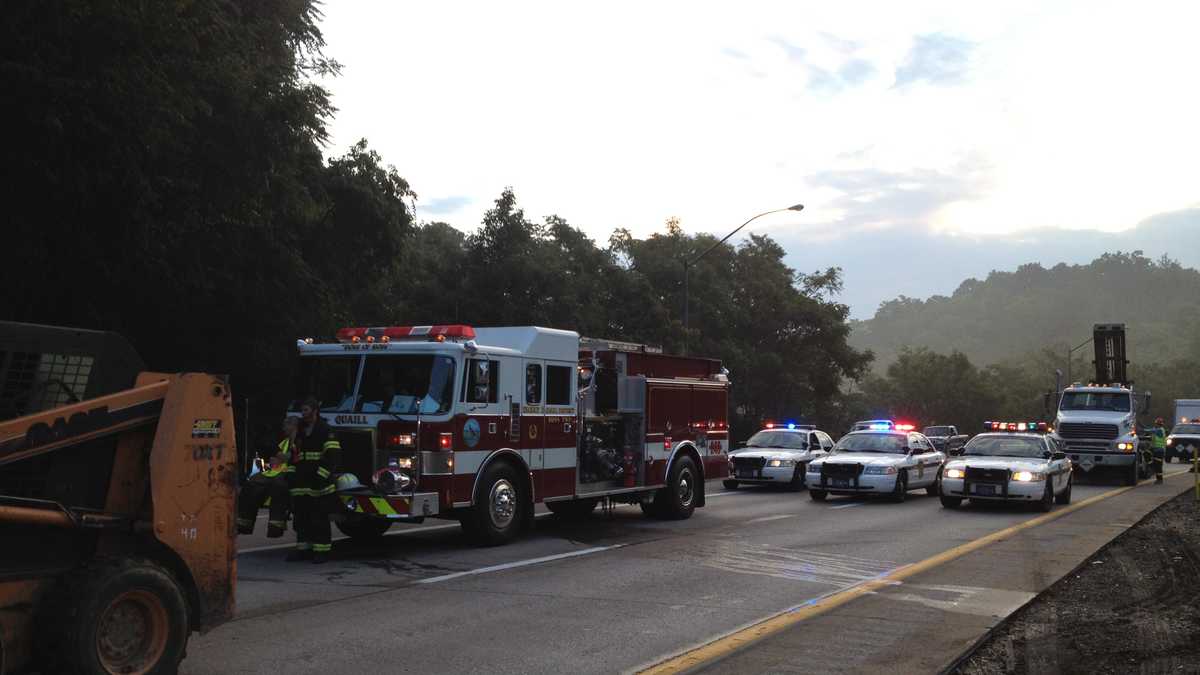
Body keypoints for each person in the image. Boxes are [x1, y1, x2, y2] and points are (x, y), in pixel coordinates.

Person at [287, 397, 342, 564]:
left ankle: (322, 552)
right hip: (301, 482)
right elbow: (293, 454)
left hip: (320, 483)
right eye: (302, 410)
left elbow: (333, 457)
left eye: (306, 410)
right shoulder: (300, 431)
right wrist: (290, 473)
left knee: (319, 519)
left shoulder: (326, 430)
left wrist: (321, 476)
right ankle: (303, 550)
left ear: (314, 411)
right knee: (301, 518)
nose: (303, 414)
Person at [236, 417, 297, 538]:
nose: (283, 428)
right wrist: (274, 459)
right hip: (274, 472)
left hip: (290, 473)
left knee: (278, 487)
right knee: (251, 483)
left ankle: (276, 527)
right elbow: (275, 460)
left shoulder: (300, 441)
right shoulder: (284, 442)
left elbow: (289, 457)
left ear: (293, 426)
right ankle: (244, 524)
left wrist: (279, 455)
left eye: (286, 425)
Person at [1150, 417, 1167, 484]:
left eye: (1156, 424)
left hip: (1159, 450)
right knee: (1157, 465)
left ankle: (1160, 480)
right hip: (1157, 450)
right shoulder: (1159, 430)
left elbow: (1151, 431)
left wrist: (1141, 429)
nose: (1155, 425)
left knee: (1158, 465)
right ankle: (1159, 479)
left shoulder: (1159, 430)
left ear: (1158, 424)